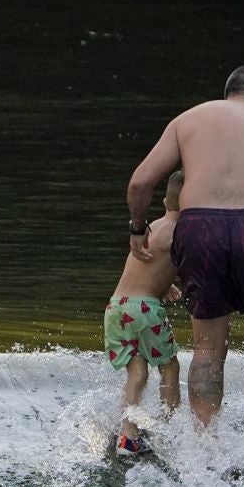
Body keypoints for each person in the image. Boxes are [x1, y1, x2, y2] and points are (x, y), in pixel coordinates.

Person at [125, 64, 244, 470]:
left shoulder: (188, 120)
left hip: (199, 229)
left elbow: (141, 183)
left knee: (208, 347)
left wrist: (138, 228)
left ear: (229, 92)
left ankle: (205, 451)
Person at [105, 171, 183, 457]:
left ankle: (128, 435)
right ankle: (169, 428)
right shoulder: (183, 230)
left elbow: (149, 268)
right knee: (170, 367)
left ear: (165, 201)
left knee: (137, 373)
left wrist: (165, 284)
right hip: (145, 309)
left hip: (117, 306)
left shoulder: (152, 227)